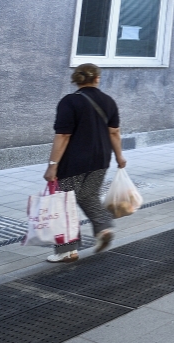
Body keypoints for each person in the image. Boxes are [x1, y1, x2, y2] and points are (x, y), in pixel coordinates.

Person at [44, 63, 126, 263]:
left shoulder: (69, 102)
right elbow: (114, 132)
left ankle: (67, 251)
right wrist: (119, 156)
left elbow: (63, 135)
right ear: (97, 78)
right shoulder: (108, 101)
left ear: (76, 79)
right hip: (100, 159)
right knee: (88, 196)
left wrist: (53, 164)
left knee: (64, 203)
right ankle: (104, 227)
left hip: (74, 161)